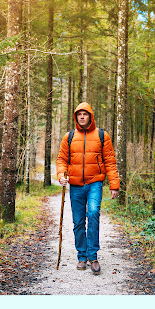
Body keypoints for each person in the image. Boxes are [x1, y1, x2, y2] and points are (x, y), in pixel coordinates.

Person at [56, 102, 120, 275]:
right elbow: (61, 159)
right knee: (78, 222)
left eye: (85, 114)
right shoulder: (68, 137)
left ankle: (93, 256)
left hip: (94, 183)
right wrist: (61, 175)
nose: (82, 116)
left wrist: (114, 185)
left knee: (92, 213)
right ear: (76, 117)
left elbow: (110, 161)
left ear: (90, 116)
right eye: (79, 114)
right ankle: (82, 256)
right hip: (76, 185)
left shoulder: (101, 135)